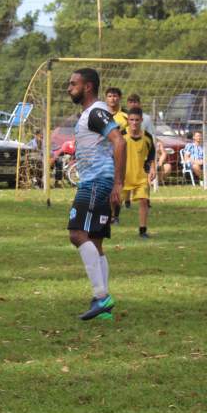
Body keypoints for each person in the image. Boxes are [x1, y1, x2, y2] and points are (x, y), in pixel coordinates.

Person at [66, 68, 126, 321]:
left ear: (87, 86)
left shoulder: (96, 113)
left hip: (96, 182)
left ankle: (101, 297)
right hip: (99, 180)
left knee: (76, 234)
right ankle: (103, 305)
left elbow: (119, 142)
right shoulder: (89, 114)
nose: (69, 88)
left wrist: (118, 184)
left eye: (73, 84)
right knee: (96, 241)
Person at [120, 108, 156, 239]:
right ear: (128, 120)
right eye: (131, 120)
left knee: (144, 201)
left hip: (140, 176)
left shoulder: (147, 137)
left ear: (141, 120)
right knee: (114, 201)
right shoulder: (122, 135)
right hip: (124, 176)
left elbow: (151, 155)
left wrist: (152, 168)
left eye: (137, 120)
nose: (134, 123)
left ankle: (142, 230)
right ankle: (112, 219)